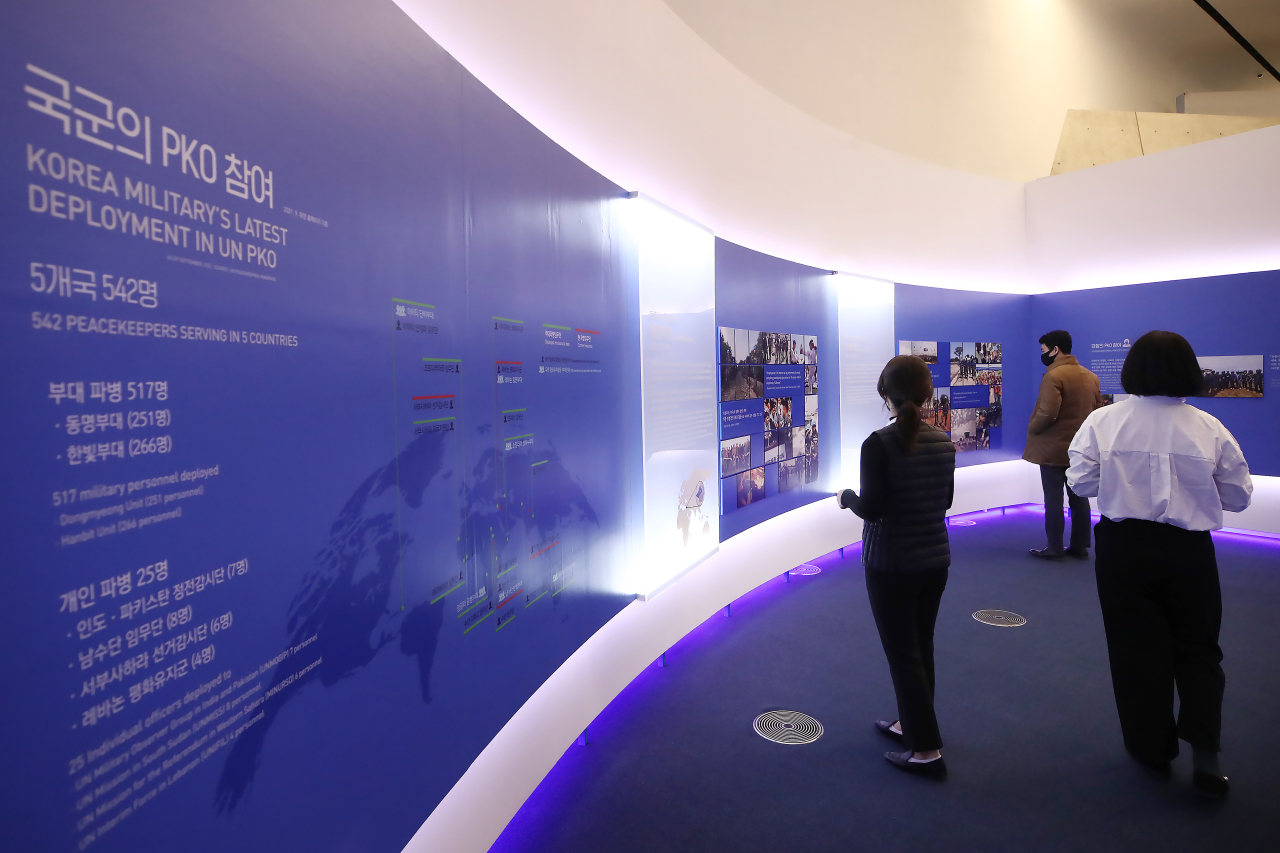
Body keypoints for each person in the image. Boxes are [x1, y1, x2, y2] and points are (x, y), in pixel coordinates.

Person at [1067, 331, 1251, 796]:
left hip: (1123, 548)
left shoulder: (1103, 422)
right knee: (1200, 649)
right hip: (1189, 551)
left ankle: (1152, 749)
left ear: (1132, 369)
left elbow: (1082, 484)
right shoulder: (1209, 427)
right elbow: (1238, 497)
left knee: (1134, 651)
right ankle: (1206, 755)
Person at [837, 355, 955, 776]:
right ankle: (911, 722)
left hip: (890, 564)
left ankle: (926, 749)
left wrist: (847, 496)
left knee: (903, 654)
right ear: (926, 393)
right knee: (921, 648)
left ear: (885, 394)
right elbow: (946, 502)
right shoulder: (944, 440)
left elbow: (873, 509)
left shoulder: (878, 443)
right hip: (934, 560)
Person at [1024, 330, 1103, 560]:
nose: (1043, 354)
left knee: (1054, 500)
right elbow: (1097, 413)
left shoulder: (1053, 376)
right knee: (1079, 498)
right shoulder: (1091, 376)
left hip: (1053, 449)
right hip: (1081, 449)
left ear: (1055, 349)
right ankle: (1080, 546)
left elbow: (1047, 413)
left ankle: (1055, 548)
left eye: (1043, 350)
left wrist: (1032, 428)